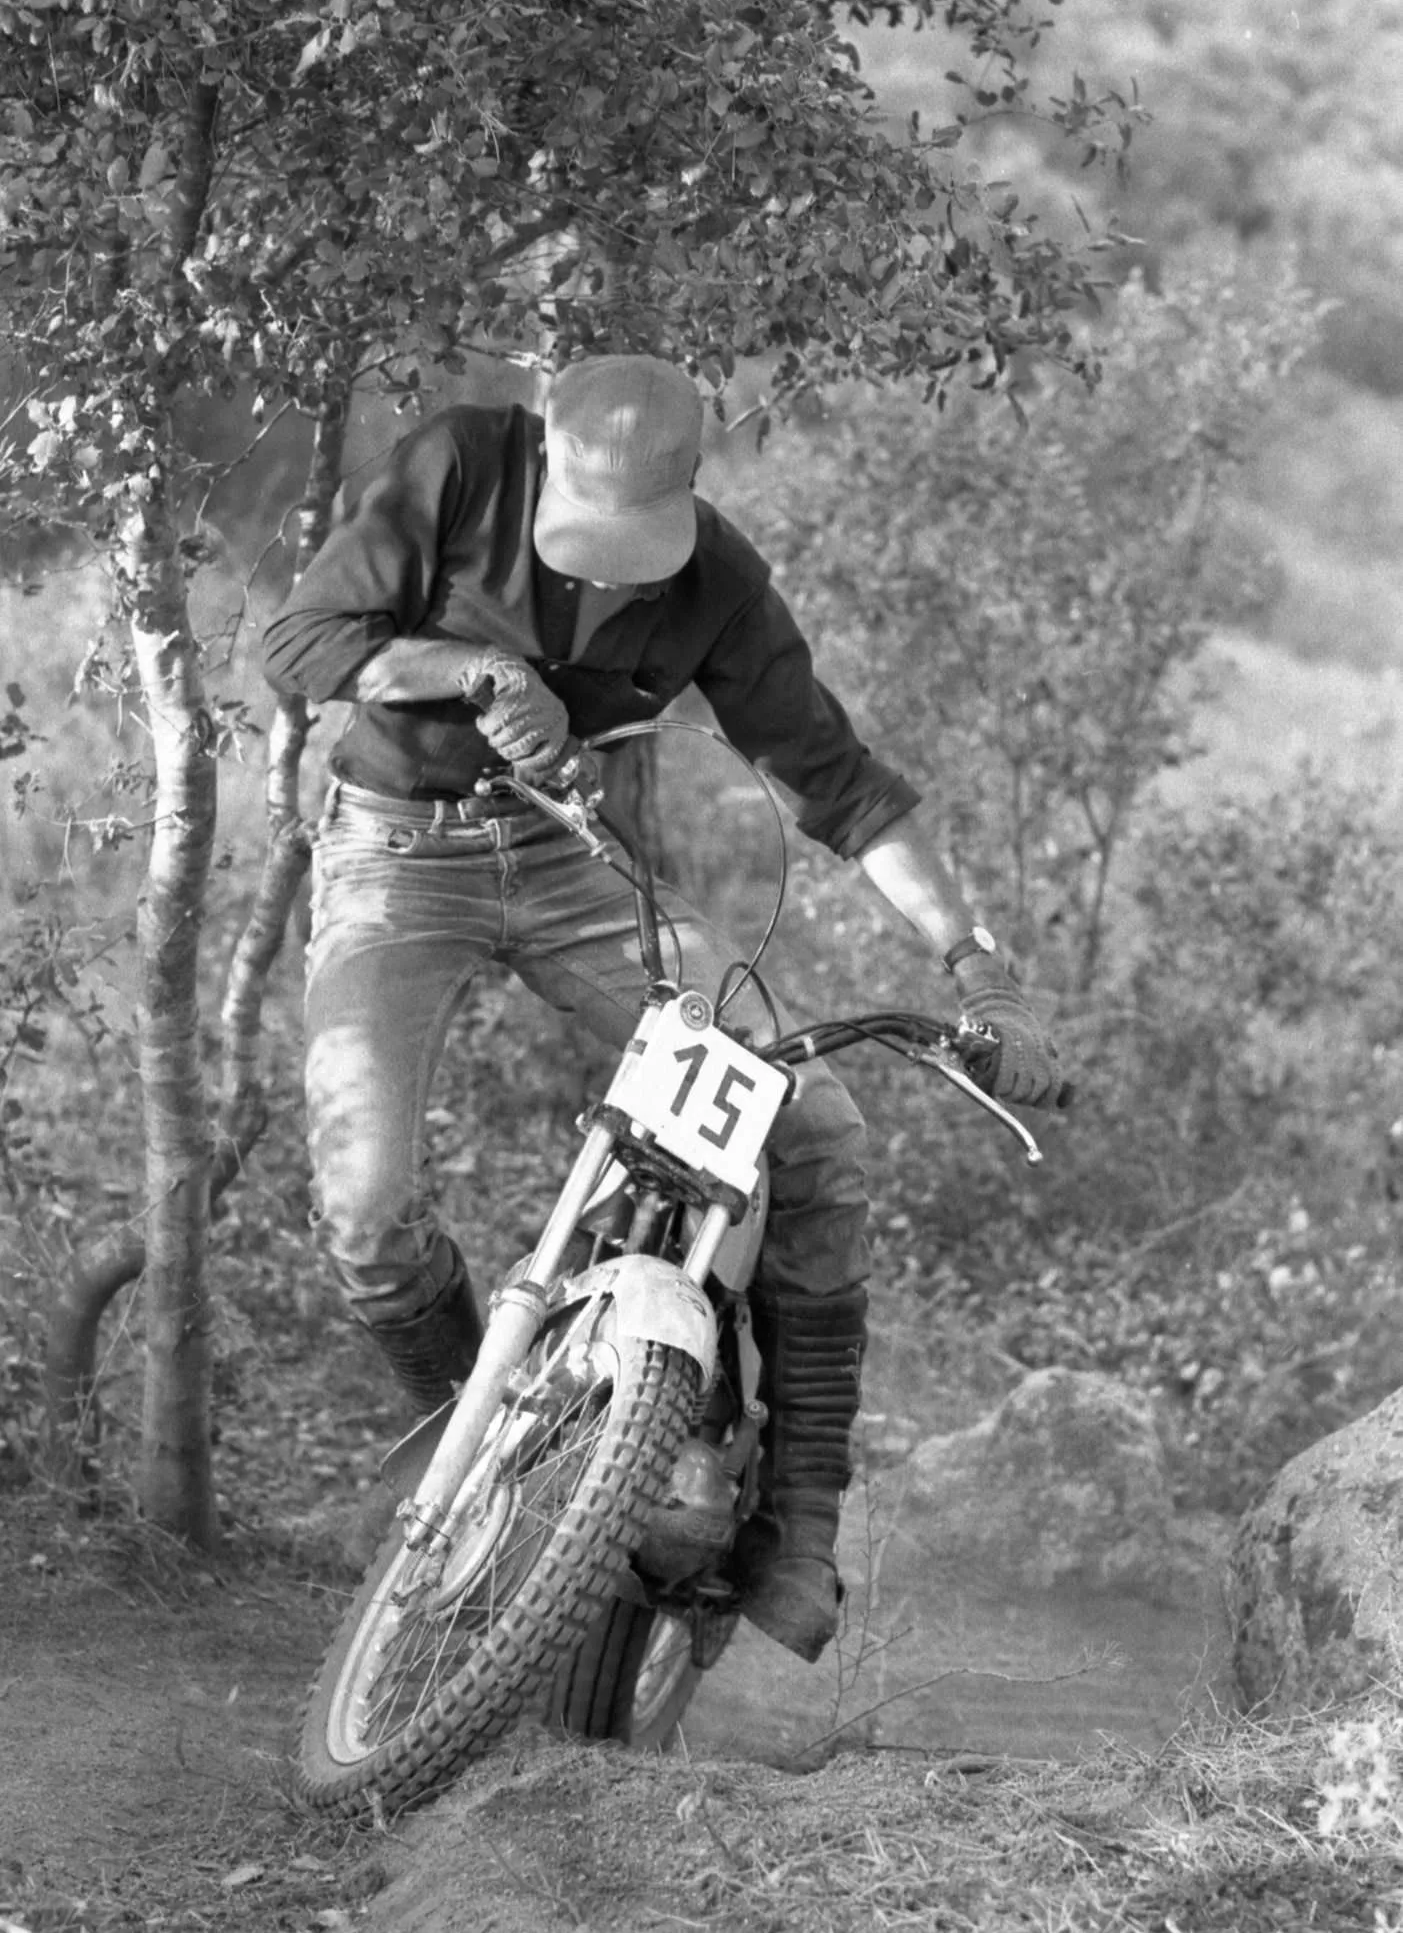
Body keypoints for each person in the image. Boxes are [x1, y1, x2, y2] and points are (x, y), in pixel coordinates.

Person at [263, 354, 1063, 1664]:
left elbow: (841, 783)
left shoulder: (719, 582)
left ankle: (799, 1530)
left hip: (572, 867)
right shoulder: (461, 465)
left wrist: (978, 965)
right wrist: (472, 671)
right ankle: (479, 1453)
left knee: (817, 1129)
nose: (621, 575)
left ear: (688, 488)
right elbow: (300, 644)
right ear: (548, 453)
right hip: (395, 854)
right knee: (365, 1208)